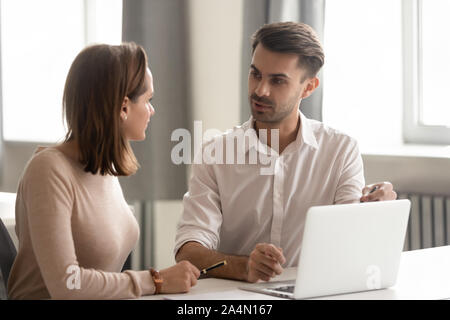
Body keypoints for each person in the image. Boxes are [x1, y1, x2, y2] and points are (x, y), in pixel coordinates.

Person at [174, 22, 397, 283]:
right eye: (255, 74)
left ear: (308, 87)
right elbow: (189, 252)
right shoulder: (215, 153)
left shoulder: (340, 150)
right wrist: (244, 267)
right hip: (236, 299)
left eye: (277, 80)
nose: (260, 90)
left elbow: (350, 243)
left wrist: (377, 214)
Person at [7, 42, 200, 299]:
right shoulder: (48, 170)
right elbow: (67, 285)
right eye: (148, 100)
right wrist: (157, 280)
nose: (152, 110)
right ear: (123, 107)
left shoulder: (102, 168)